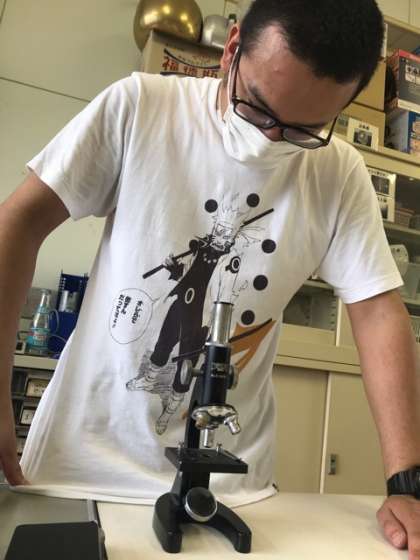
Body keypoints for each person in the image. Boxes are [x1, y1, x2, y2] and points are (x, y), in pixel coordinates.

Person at [1, 0, 419, 554]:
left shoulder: (339, 174)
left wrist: (406, 482)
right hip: (79, 470)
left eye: (304, 129)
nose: (270, 138)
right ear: (232, 49)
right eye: (258, 108)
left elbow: (378, 312)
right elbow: (18, 223)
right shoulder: (141, 107)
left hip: (231, 490)